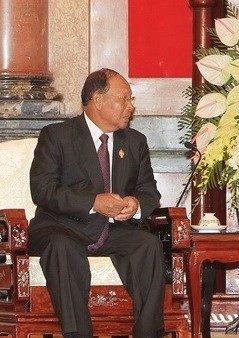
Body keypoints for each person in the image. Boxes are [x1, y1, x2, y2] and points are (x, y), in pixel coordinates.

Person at [28, 68, 165, 338]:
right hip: (62, 226)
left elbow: (150, 191)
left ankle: (149, 333)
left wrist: (135, 205)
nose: (130, 106)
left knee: (148, 245)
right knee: (62, 246)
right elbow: (42, 189)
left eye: (131, 100)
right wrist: (93, 202)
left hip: (115, 230)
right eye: (124, 98)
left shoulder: (135, 142)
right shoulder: (57, 136)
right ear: (98, 99)